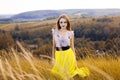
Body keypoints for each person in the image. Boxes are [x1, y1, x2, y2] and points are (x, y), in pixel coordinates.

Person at [51, 14, 90, 79]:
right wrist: (52, 58)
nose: (63, 24)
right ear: (59, 23)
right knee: (58, 74)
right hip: (58, 55)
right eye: (61, 22)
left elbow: (72, 46)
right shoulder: (55, 32)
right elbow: (53, 46)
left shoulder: (70, 33)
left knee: (68, 74)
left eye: (65, 22)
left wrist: (75, 60)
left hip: (68, 55)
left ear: (67, 23)